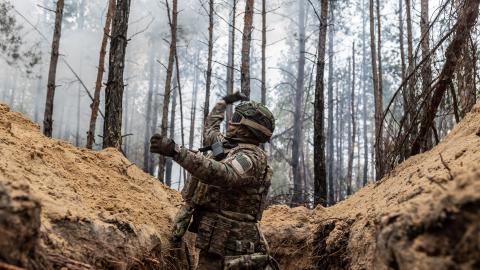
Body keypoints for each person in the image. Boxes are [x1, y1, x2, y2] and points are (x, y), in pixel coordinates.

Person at [150, 92, 279, 270]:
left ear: (247, 127)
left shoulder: (251, 157)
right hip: (216, 238)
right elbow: (211, 128)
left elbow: (224, 174)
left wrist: (177, 152)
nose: (231, 122)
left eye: (236, 118)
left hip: (234, 246)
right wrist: (224, 102)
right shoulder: (228, 145)